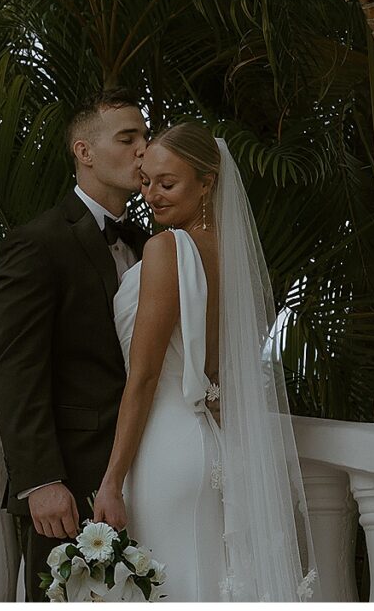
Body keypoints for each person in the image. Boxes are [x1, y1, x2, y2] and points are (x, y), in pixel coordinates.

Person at [93, 122, 318, 601]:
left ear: (207, 183)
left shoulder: (167, 248)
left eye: (168, 184)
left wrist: (111, 480)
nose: (152, 194)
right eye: (147, 181)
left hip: (163, 449)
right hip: (211, 443)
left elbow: (146, 375)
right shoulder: (232, 257)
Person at [0, 87, 149, 602]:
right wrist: (40, 481)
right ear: (84, 152)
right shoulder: (39, 242)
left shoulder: (152, 244)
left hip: (146, 471)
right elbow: (16, 369)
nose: (143, 149)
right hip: (70, 481)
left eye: (145, 136)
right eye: (128, 138)